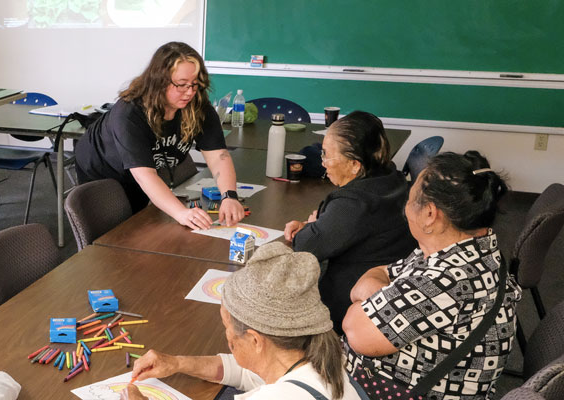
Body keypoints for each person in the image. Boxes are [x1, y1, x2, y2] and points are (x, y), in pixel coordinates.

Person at [342, 151, 522, 400]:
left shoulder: (445, 280)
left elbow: (353, 329)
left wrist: (370, 303)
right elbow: (379, 273)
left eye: (410, 197)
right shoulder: (468, 249)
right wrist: (380, 300)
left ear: (429, 214)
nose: (406, 206)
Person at [123, 242, 366, 399]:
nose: (227, 337)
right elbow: (249, 371)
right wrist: (177, 363)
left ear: (254, 339)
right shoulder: (322, 356)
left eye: (227, 327)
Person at [74, 42, 244, 229]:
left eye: (195, 85)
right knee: (115, 229)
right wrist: (181, 213)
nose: (190, 92)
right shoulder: (130, 113)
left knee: (139, 222)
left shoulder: (197, 106)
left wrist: (229, 196)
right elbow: (144, 175)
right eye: (181, 85)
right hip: (101, 167)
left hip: (142, 170)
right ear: (159, 81)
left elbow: (218, 156)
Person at [284, 111, 416, 333]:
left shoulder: (354, 204)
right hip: (386, 301)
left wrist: (311, 229)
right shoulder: (392, 178)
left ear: (355, 165)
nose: (323, 163)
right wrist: (318, 225)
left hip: (350, 313)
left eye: (326, 155)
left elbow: (306, 246)